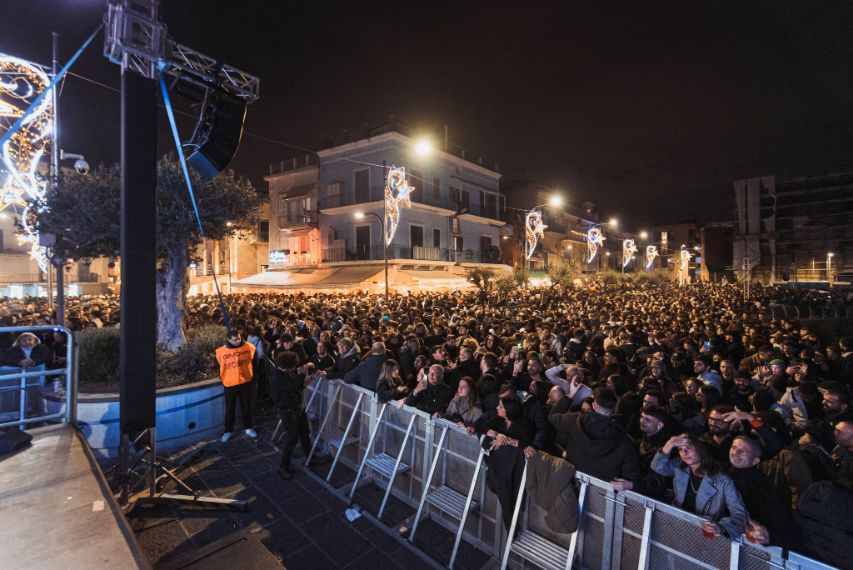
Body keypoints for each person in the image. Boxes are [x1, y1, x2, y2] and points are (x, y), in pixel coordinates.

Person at [651, 434, 747, 539]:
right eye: (680, 449)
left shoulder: (723, 481)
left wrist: (720, 527)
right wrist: (669, 445)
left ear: (701, 450)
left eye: (688, 448)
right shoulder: (679, 466)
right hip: (677, 527)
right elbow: (657, 466)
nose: (684, 453)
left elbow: (740, 515)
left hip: (704, 536)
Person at [549, 387, 642, 482]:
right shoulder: (625, 441)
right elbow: (631, 477)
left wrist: (569, 396)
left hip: (570, 482)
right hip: (600, 492)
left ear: (593, 405)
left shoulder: (575, 420)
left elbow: (552, 416)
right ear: (614, 408)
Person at [268, 351, 312, 480]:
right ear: (288, 366)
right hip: (287, 411)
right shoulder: (276, 376)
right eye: (293, 366)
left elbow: (297, 387)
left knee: (305, 433)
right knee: (292, 438)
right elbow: (292, 384)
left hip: (297, 408)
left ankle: (310, 457)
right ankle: (283, 466)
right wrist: (303, 373)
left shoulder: (287, 373)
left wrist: (310, 379)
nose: (294, 368)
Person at [215, 331, 257, 442]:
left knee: (246, 407)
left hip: (245, 382)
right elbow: (217, 367)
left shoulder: (249, 347)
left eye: (238, 339)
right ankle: (228, 431)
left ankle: (248, 427)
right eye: (234, 340)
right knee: (230, 408)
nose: (237, 341)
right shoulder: (220, 352)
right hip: (230, 384)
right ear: (228, 339)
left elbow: (255, 363)